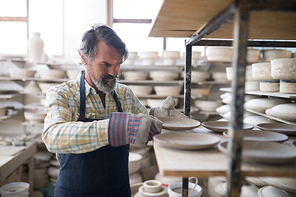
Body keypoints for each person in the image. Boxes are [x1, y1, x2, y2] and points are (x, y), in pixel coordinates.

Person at [42, 24, 186, 197]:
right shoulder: (62, 94)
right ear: (84, 59)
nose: (114, 72)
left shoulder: (124, 93)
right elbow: (53, 136)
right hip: (75, 192)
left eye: (118, 64)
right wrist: (113, 128)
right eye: (105, 64)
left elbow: (141, 121)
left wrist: (157, 115)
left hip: (118, 190)